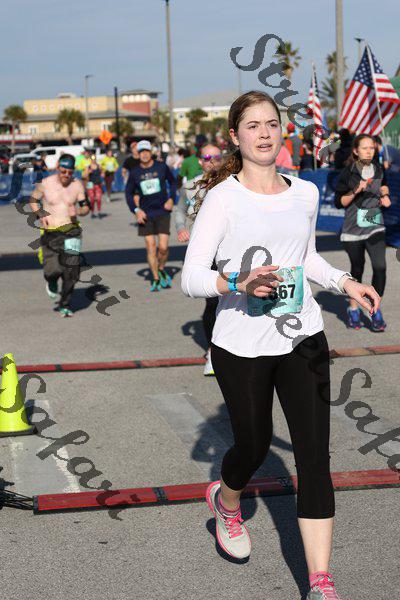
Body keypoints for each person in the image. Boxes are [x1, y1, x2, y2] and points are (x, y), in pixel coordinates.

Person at [181, 91, 380, 599]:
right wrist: (237, 282)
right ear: (235, 136)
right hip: (240, 344)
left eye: (272, 123)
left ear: (282, 131)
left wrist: (344, 282)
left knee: (314, 457)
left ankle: (320, 582)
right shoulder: (223, 198)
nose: (264, 133)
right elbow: (191, 277)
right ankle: (227, 502)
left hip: (302, 338)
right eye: (253, 126)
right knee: (252, 445)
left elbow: (306, 257)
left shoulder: (304, 193)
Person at [175, 143, 223, 375]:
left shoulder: (232, 182)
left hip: (230, 249)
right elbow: (179, 210)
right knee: (212, 301)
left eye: (216, 157)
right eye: (206, 157)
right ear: (200, 161)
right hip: (205, 250)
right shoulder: (191, 185)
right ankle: (213, 351)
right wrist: (181, 228)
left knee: (235, 299)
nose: (211, 161)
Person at [334, 133, 390, 331]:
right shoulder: (348, 172)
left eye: (372, 148)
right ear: (356, 151)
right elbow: (339, 202)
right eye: (364, 148)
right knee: (357, 269)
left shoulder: (378, 168)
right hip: (353, 231)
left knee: (380, 267)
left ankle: (375, 309)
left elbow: (384, 184)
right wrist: (356, 190)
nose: (369, 151)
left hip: (375, 226)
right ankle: (353, 308)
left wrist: (385, 194)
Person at [29, 154, 90, 317]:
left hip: (72, 231)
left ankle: (65, 304)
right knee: (52, 270)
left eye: (70, 172)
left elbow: (86, 208)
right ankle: (52, 281)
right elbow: (33, 199)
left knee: (72, 272)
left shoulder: (77, 185)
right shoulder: (45, 183)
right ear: (57, 167)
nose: (66, 175)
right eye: (63, 171)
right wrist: (41, 213)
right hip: (51, 232)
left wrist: (78, 211)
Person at [125, 139, 177, 291]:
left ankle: (160, 269)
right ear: (138, 154)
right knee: (151, 246)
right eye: (141, 152)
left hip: (162, 211)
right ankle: (155, 278)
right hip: (145, 214)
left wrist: (171, 199)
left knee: (163, 248)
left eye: (147, 151)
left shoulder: (161, 167)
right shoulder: (134, 172)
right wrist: (136, 210)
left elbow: (173, 183)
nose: (144, 154)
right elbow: (128, 194)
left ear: (150, 152)